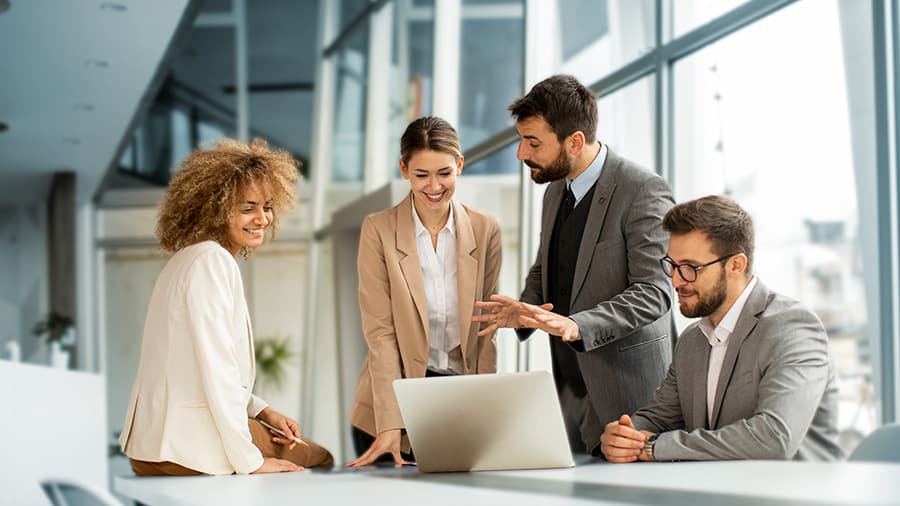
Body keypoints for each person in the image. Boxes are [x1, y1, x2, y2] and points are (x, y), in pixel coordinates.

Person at [473, 74, 674, 455]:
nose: (521, 154)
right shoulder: (554, 191)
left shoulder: (642, 189)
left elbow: (655, 292)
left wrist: (576, 324)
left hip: (629, 395)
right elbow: (546, 264)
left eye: (533, 143)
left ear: (575, 141)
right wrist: (523, 308)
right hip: (569, 389)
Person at [119, 138, 334, 476]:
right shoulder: (211, 261)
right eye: (247, 208)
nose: (262, 218)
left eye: (267, 206)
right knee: (319, 457)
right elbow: (217, 369)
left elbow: (192, 368)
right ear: (214, 207)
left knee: (296, 446)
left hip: (150, 450)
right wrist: (251, 462)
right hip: (189, 450)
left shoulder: (184, 261)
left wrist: (262, 412)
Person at [599, 195, 843, 462]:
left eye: (691, 268)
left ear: (736, 265)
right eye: (672, 266)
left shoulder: (793, 328)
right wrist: (624, 435)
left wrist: (653, 447)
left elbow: (774, 438)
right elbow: (658, 416)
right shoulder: (692, 340)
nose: (677, 281)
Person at [347, 116, 502, 467]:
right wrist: (390, 423)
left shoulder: (485, 229)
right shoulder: (379, 231)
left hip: (457, 402)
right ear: (404, 170)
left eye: (444, 173)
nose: (434, 186)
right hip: (391, 406)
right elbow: (380, 334)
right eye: (422, 175)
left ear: (460, 165)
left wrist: (487, 414)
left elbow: (485, 330)